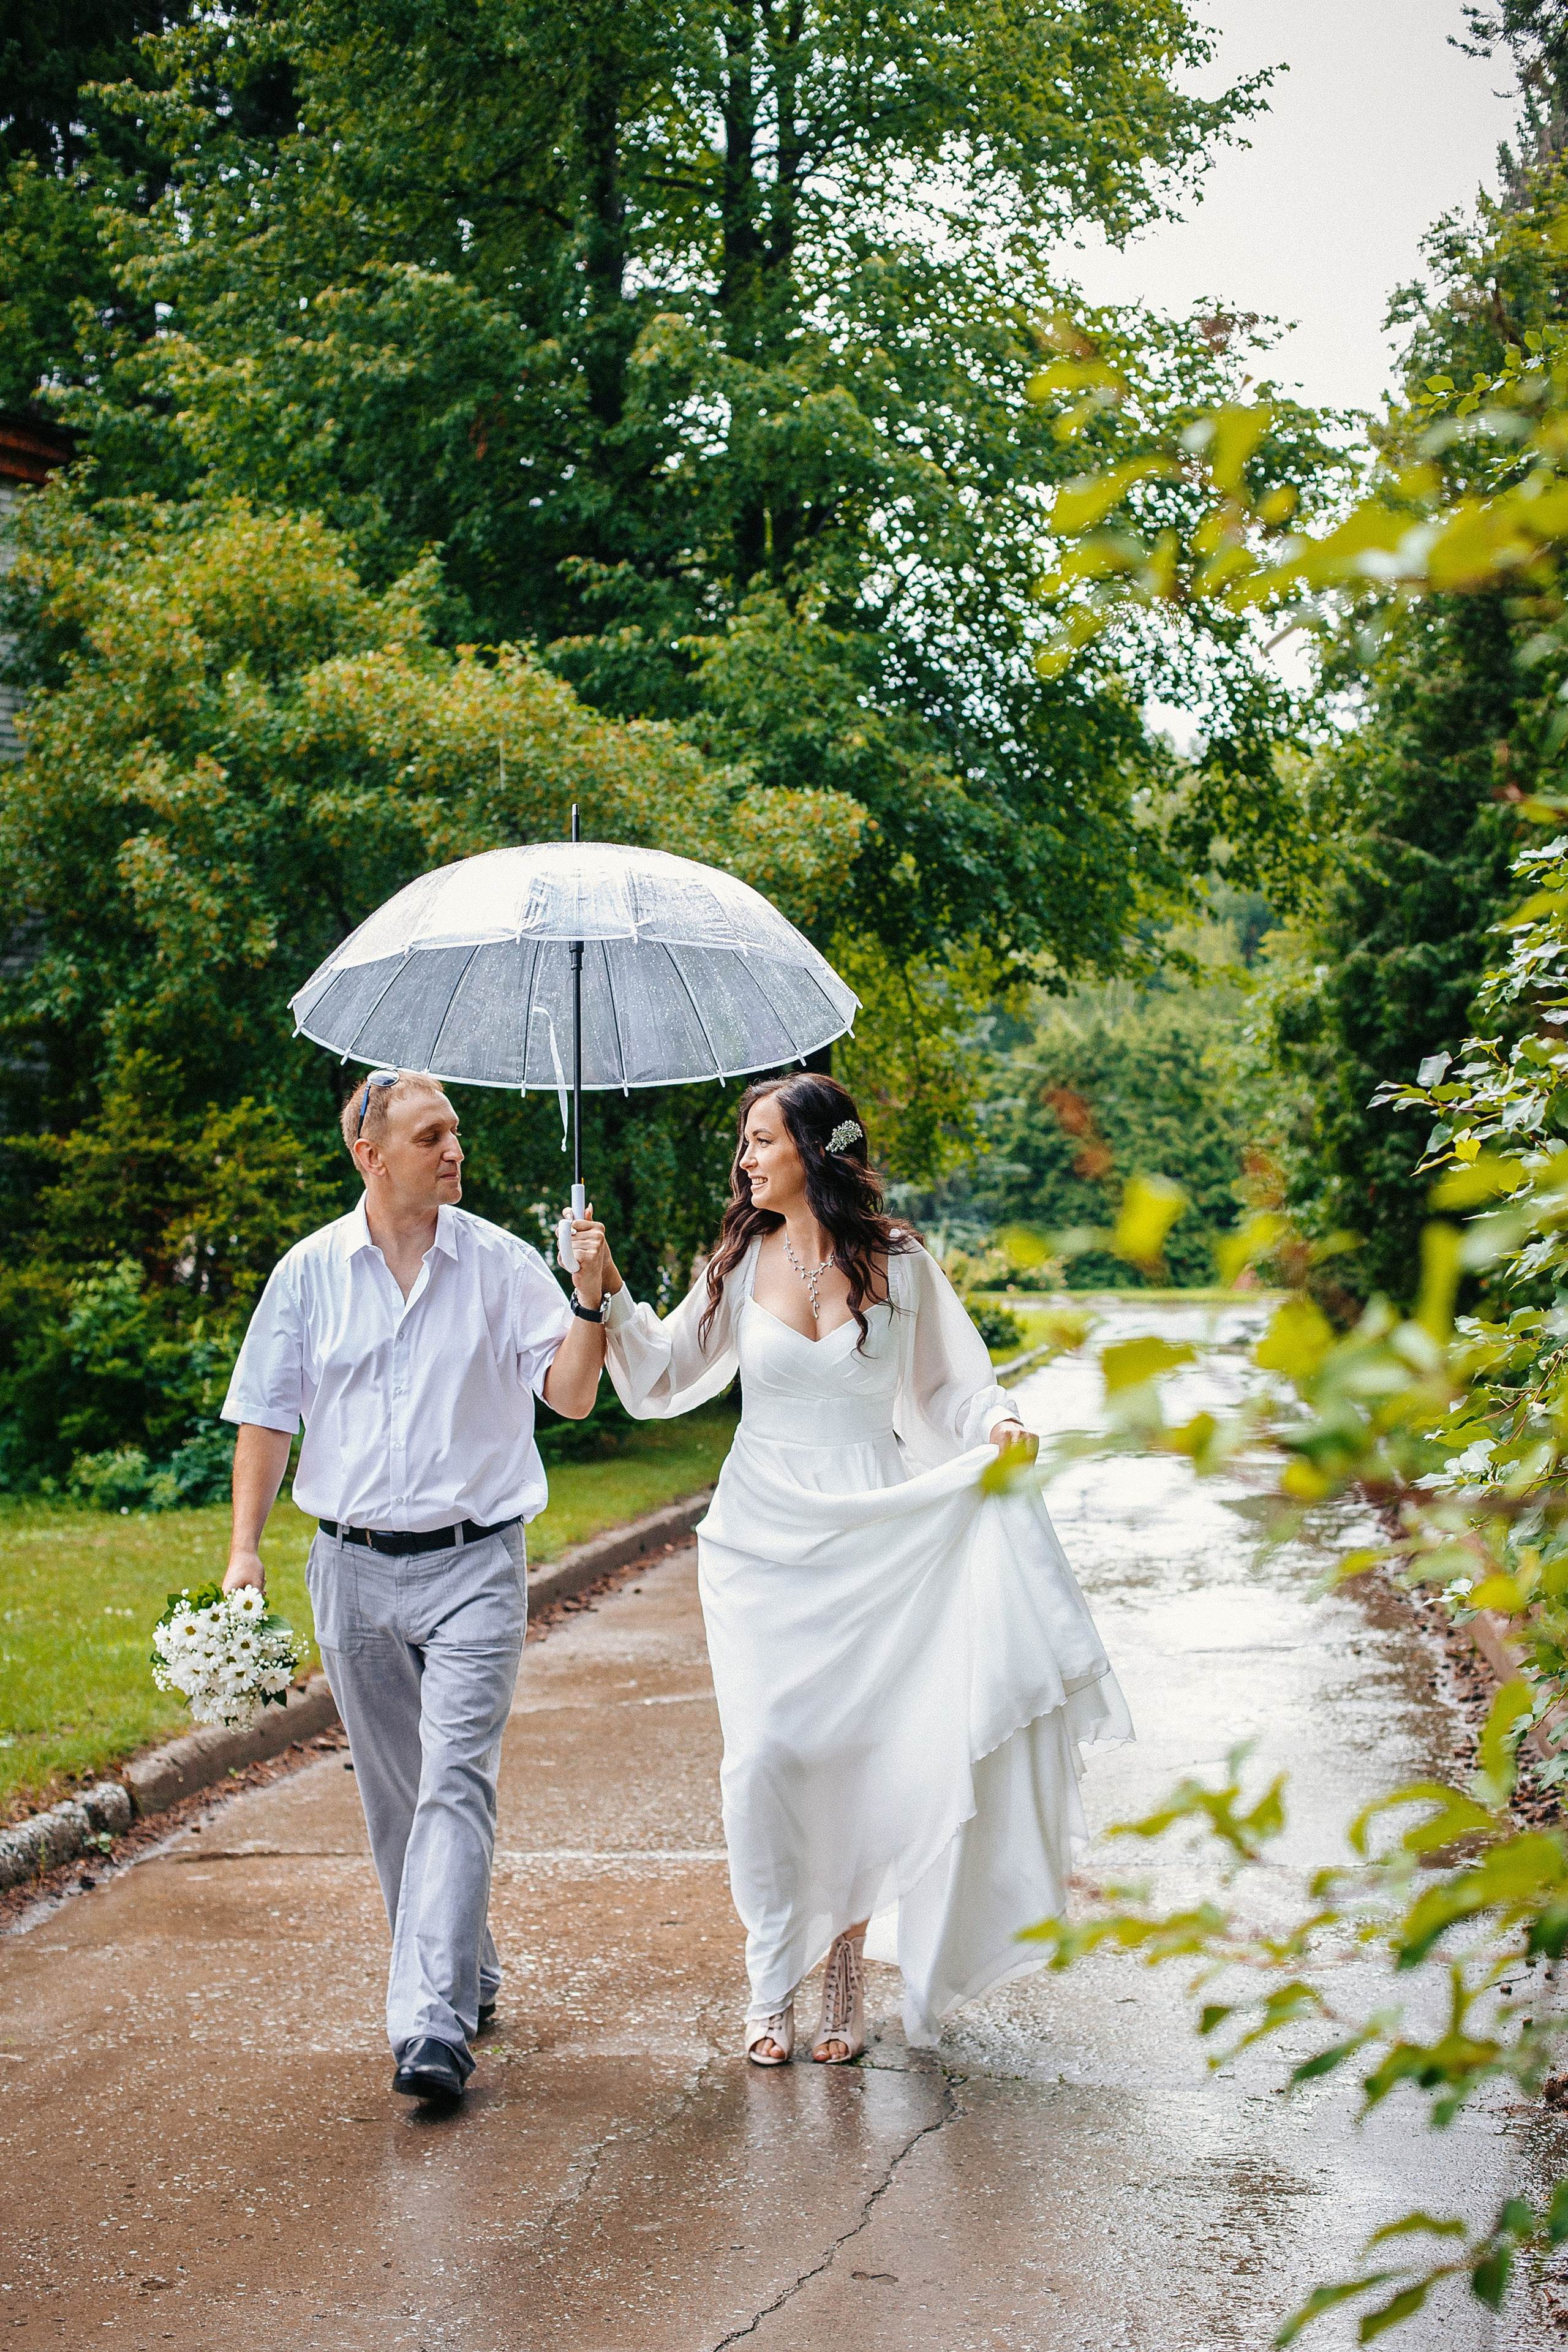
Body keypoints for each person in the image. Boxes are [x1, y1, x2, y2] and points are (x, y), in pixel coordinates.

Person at [579, 1071, 1131, 2065]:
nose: (745, 1159)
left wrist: (998, 1423)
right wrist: (606, 1283)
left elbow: (954, 1386)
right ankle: (769, 1978)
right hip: (762, 1542)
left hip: (878, 1534)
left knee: (861, 1755)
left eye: (761, 1140)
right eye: (745, 1142)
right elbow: (660, 1374)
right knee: (764, 1759)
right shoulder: (737, 1263)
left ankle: (841, 1970)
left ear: (815, 1150)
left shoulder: (899, 1263)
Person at [219, 1068, 612, 2105]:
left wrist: (589, 1296)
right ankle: (464, 1973)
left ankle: (429, 2024)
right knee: (398, 1798)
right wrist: (245, 1550)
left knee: (454, 1781)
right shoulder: (308, 1273)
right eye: (432, 1135)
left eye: (456, 1133)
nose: (455, 1151)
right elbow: (267, 1414)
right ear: (371, 1154)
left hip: (475, 1562)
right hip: (349, 1566)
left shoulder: (501, 1263)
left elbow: (571, 1397)